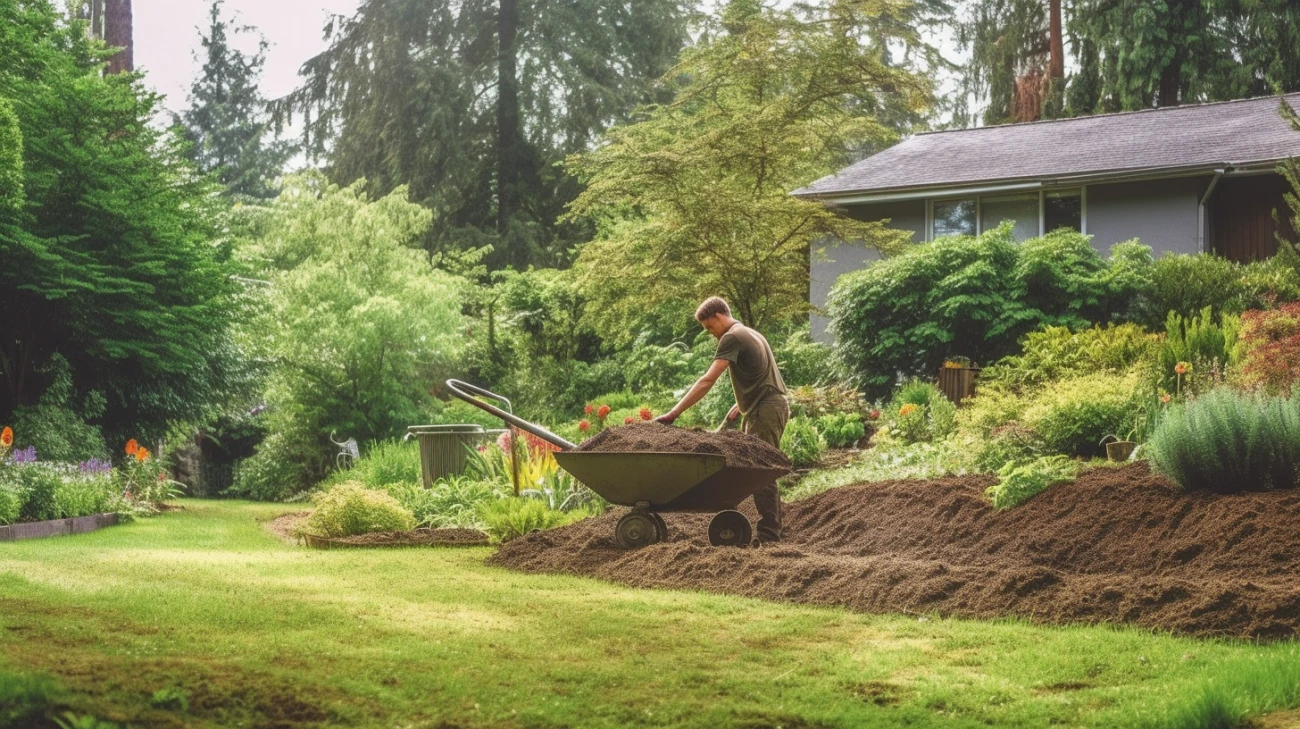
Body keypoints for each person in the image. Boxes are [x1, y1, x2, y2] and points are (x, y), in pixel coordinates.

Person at [655, 296, 790, 543]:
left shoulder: (732, 337)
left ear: (718, 316)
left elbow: (708, 380)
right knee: (759, 470)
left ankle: (770, 536)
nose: (710, 333)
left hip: (766, 409)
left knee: (760, 471)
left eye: (709, 327)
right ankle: (773, 530)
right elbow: (761, 373)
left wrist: (674, 413)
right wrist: (741, 404)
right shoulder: (749, 332)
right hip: (765, 405)